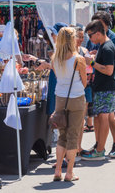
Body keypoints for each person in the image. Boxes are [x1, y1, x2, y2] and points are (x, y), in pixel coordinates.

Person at [82, 20, 115, 160]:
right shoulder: (105, 45)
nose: (90, 39)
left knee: (104, 117)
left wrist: (91, 62)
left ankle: (99, 150)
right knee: (109, 117)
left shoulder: (107, 47)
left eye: (90, 36)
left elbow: (109, 70)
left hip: (107, 87)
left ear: (98, 33)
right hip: (106, 87)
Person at [52, 27, 87, 182]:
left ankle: (58, 170)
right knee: (73, 135)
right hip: (77, 97)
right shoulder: (78, 59)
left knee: (62, 136)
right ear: (72, 40)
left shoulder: (54, 58)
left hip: (60, 98)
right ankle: (69, 172)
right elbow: (84, 82)